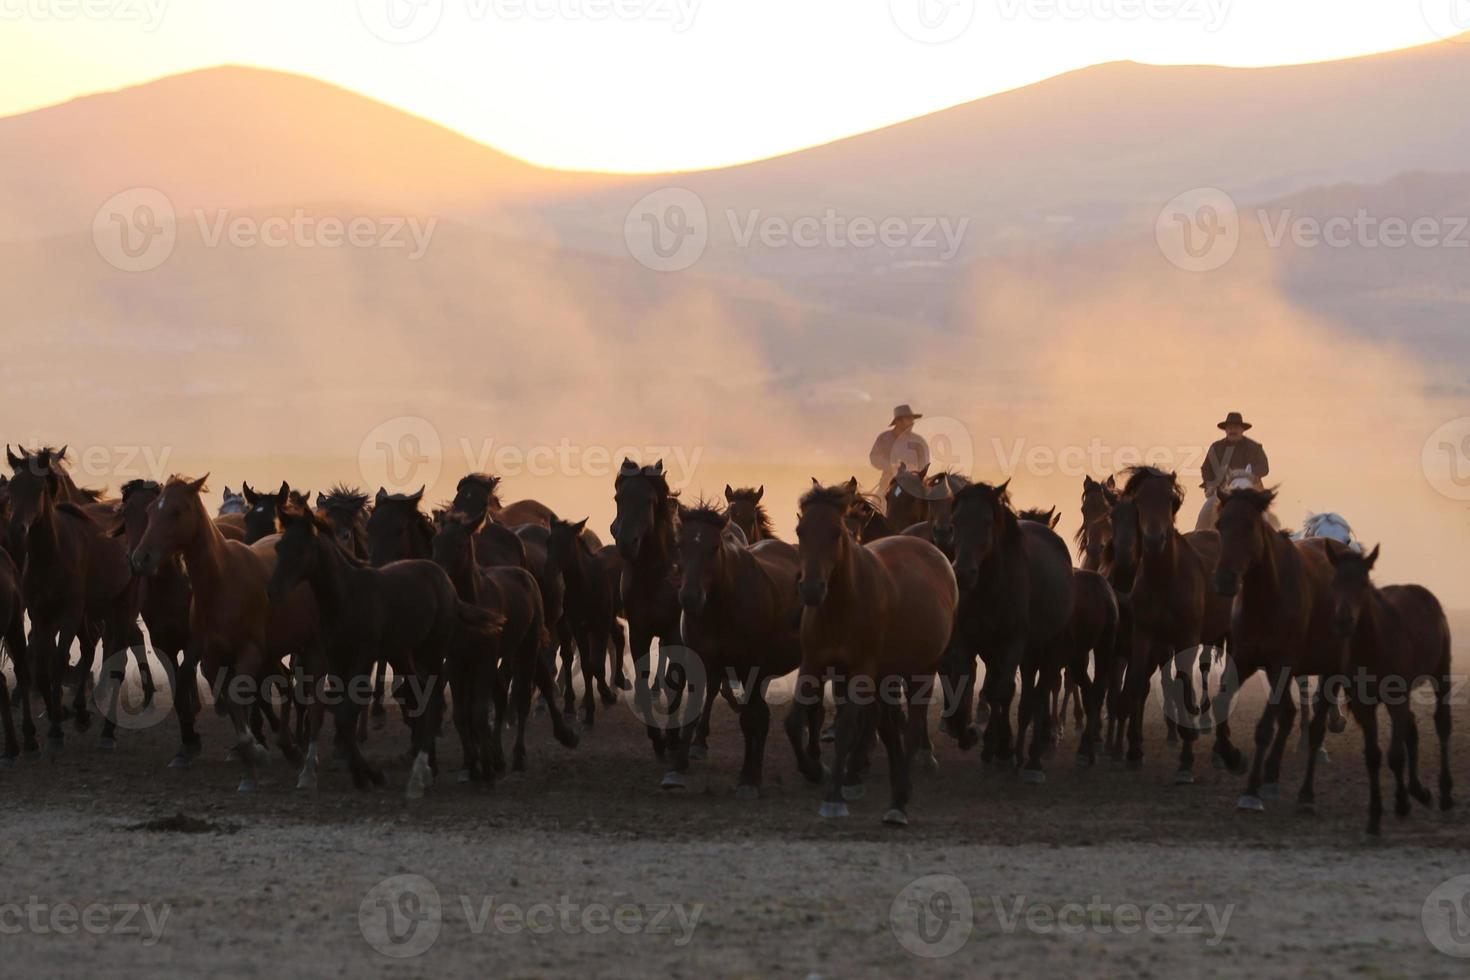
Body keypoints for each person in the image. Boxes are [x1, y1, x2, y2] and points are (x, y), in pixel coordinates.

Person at [1201, 411, 1269, 495]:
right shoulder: (1216, 447)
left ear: (1242, 429)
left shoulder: (1254, 447)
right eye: (1230, 428)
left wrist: (1249, 475)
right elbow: (1206, 469)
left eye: (1236, 427)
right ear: (1225, 430)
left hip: (1251, 492)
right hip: (1222, 493)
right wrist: (1210, 485)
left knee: (1262, 507)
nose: (1232, 430)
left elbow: (1264, 467)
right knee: (1207, 508)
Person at [868, 404, 929, 497]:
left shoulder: (919, 441)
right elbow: (874, 457)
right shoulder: (884, 438)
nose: (912, 422)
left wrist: (915, 470)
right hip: (888, 483)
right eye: (908, 419)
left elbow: (924, 461)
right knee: (878, 503)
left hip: (913, 484)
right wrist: (891, 466)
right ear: (898, 421)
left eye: (912, 419)